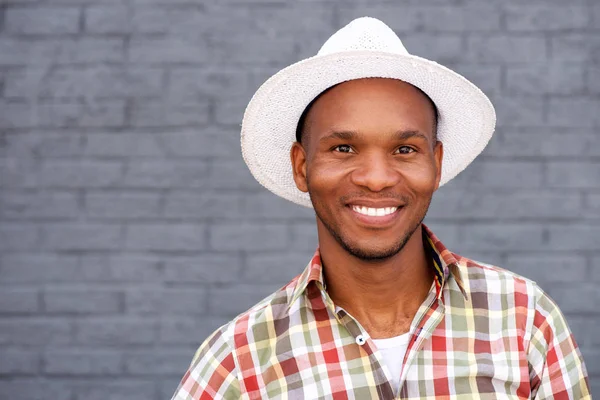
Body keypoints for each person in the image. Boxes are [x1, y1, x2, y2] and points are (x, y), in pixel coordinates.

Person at [172, 17, 590, 399]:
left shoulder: (523, 319)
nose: (376, 177)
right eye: (343, 148)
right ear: (302, 167)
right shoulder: (238, 363)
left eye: (405, 149)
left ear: (435, 164)